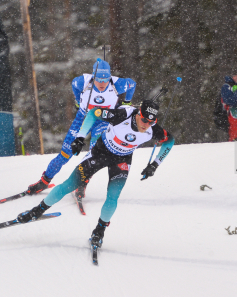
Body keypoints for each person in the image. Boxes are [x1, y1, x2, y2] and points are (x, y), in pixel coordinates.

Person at [16, 100, 175, 250]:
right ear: (138, 114)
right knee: (68, 185)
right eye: (144, 120)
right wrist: (79, 137)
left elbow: (170, 140)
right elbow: (93, 113)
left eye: (151, 122)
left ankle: (99, 231)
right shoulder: (121, 115)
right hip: (100, 152)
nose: (146, 125)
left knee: (113, 196)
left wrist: (155, 164)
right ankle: (37, 211)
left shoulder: (153, 129)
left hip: (122, 160)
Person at [26, 59, 136, 197]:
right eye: (98, 80)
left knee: (94, 153)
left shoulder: (118, 84)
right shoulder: (82, 81)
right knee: (65, 154)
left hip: (102, 121)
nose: (102, 83)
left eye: (105, 80)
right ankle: (44, 181)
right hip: (83, 118)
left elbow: (132, 84)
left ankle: (82, 183)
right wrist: (78, 101)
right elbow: (74, 85)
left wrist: (127, 102)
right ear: (93, 77)